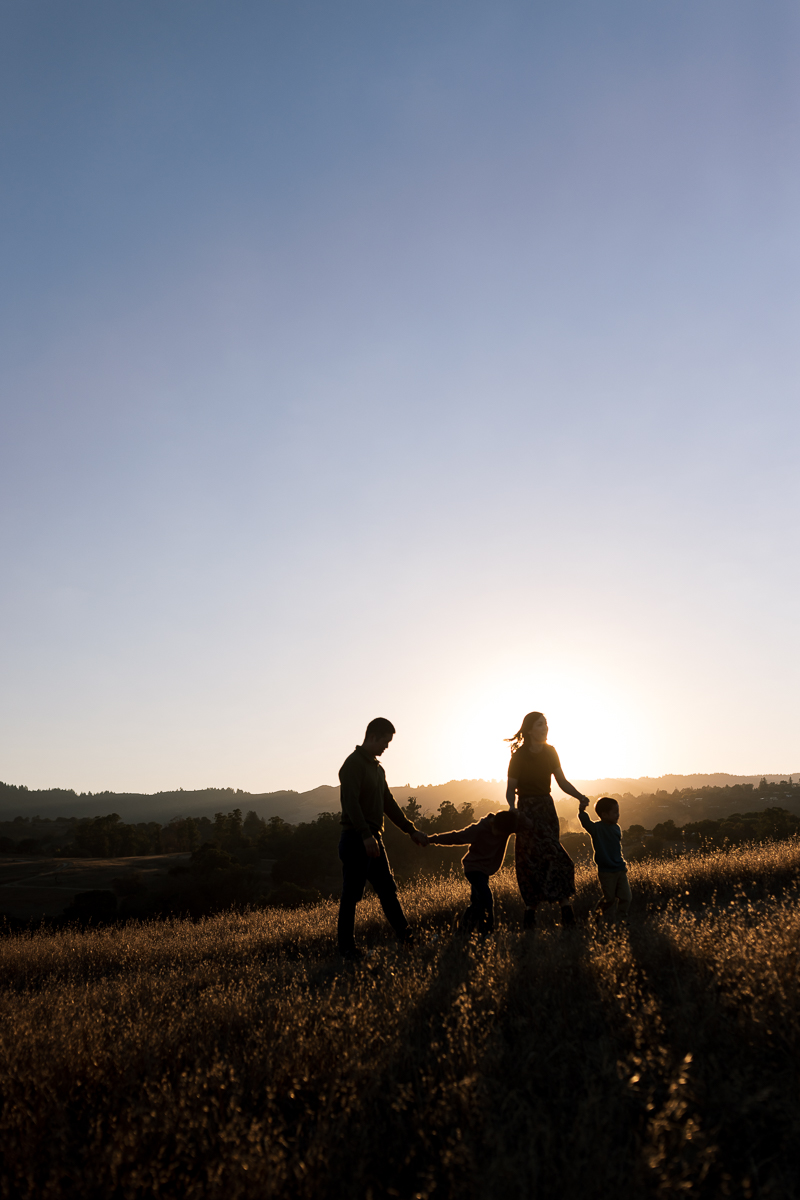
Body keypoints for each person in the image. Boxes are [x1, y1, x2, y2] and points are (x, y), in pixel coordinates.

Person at [337, 717, 428, 961]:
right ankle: (346, 950)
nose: (387, 747)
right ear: (373, 736)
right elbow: (350, 803)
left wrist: (411, 830)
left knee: (388, 891)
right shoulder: (353, 764)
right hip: (357, 839)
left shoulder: (378, 769)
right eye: (385, 742)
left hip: (373, 839)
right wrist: (365, 835)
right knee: (351, 896)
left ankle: (408, 940)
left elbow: (388, 803)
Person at [506, 711, 591, 929]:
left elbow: (562, 781)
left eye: (546, 724)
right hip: (527, 812)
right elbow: (510, 789)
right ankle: (530, 914)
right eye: (540, 724)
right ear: (529, 730)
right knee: (529, 861)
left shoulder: (551, 751)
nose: (545, 728)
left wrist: (580, 796)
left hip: (546, 809)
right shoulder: (519, 756)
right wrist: (513, 809)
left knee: (556, 857)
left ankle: (566, 911)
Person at [427, 808, 532, 934]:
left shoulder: (507, 825)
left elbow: (529, 825)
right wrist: (430, 839)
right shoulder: (479, 829)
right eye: (499, 833)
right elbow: (457, 837)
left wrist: (518, 814)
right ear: (493, 824)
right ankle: (486, 933)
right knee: (487, 898)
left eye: (503, 834)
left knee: (477, 903)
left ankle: (462, 934)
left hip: (484, 871)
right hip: (473, 868)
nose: (500, 836)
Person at [578, 795, 631, 922]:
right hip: (606, 871)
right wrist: (581, 811)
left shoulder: (616, 828)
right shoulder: (596, 829)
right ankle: (595, 917)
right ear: (604, 815)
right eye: (615, 812)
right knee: (609, 899)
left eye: (618, 812)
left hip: (620, 869)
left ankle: (622, 920)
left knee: (626, 897)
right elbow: (586, 823)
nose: (618, 815)